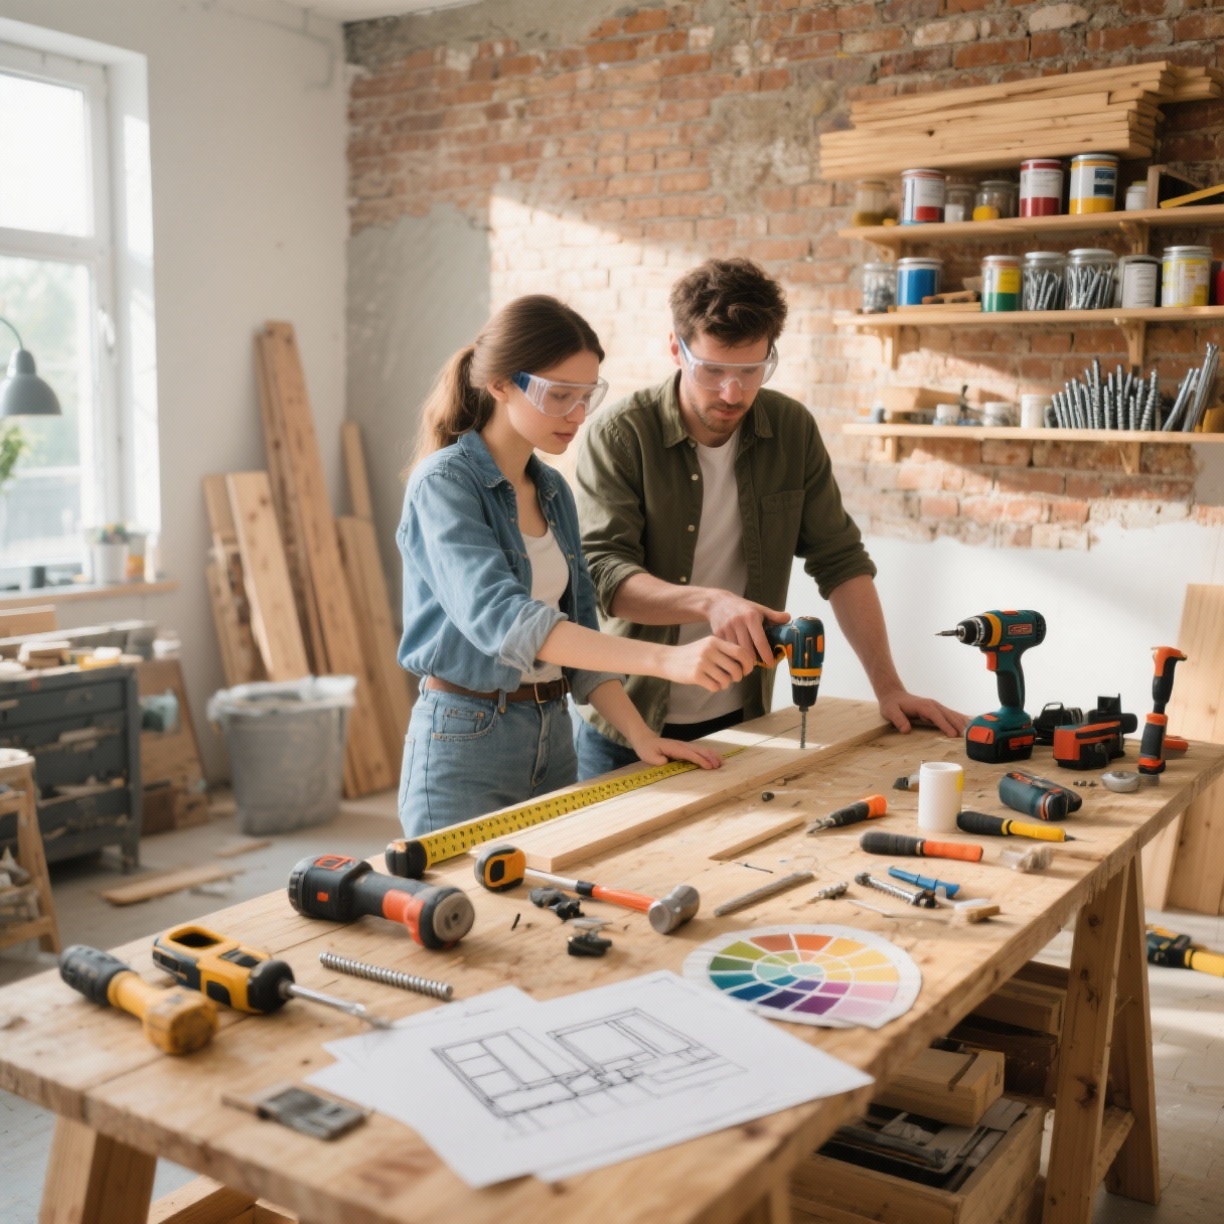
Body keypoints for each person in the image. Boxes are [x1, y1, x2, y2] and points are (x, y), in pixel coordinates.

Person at [573, 258, 966, 778]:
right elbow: (603, 576)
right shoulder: (620, 435)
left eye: (751, 371)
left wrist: (889, 687)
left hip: (742, 720)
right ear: (677, 349)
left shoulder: (791, 430)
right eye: (713, 370)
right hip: (631, 728)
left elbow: (841, 561)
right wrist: (711, 602)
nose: (732, 393)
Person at [395, 294, 756, 837]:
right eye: (559, 395)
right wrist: (669, 660)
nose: (578, 415)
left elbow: (580, 634)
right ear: (499, 384)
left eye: (587, 396)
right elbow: (508, 621)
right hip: (465, 740)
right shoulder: (443, 484)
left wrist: (640, 735)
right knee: (461, 912)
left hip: (553, 733)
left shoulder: (552, 489)